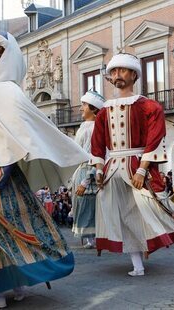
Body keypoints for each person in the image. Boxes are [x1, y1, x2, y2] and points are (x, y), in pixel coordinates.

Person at [0, 29, 89, 308]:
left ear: (1, 51)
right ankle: (16, 286)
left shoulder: (8, 92)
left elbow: (10, 147)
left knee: (2, 232)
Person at [91, 53, 174, 276]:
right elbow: (98, 141)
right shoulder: (103, 111)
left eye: (122, 70)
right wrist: (99, 168)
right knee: (121, 214)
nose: (117, 75)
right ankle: (137, 264)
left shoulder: (148, 107)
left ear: (134, 74)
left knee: (149, 208)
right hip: (113, 169)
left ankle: (148, 249)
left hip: (136, 165)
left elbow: (155, 137)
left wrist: (142, 169)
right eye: (113, 72)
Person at [71, 91, 105, 249]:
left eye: (84, 105)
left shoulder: (93, 129)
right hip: (81, 170)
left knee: (89, 205)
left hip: (88, 171)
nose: (80, 108)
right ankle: (91, 238)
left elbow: (95, 155)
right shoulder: (83, 127)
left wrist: (86, 180)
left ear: (93, 108)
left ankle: (94, 237)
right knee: (83, 204)